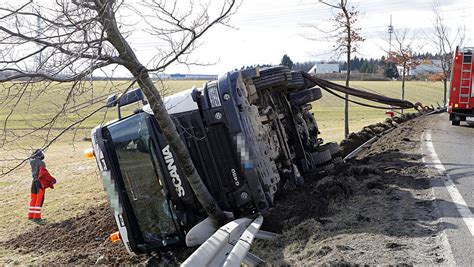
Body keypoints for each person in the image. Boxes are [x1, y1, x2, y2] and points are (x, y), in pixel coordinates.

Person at [28, 149, 46, 224]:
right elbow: (43, 174)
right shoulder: (42, 163)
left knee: (33, 199)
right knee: (39, 199)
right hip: (39, 183)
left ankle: (31, 215)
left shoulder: (31, 162)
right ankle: (37, 217)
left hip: (33, 182)